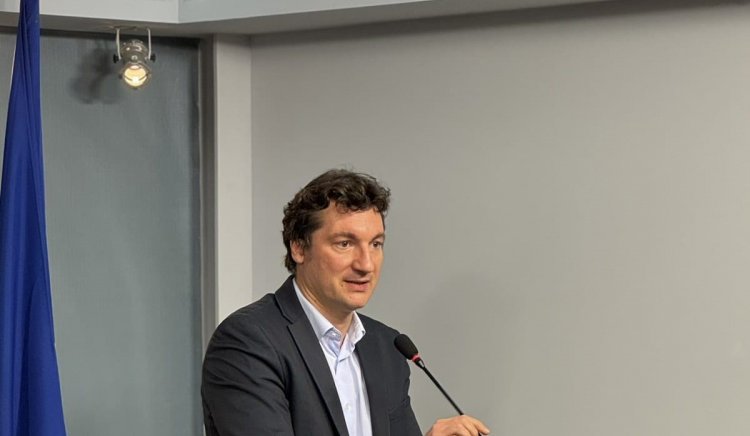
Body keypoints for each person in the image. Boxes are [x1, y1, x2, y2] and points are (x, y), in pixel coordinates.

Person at [202, 169, 490, 436]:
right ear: (299, 247)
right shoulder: (248, 341)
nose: (366, 264)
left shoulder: (387, 348)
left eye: (375, 244)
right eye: (345, 243)